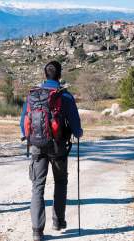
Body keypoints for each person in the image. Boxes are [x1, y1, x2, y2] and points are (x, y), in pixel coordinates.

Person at [20, 61, 83, 241]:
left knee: (37, 186)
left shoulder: (33, 95)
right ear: (59, 75)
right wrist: (78, 133)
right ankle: (58, 221)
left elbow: (23, 123)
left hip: (37, 145)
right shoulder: (65, 96)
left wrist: (29, 137)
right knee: (60, 181)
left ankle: (37, 231)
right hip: (58, 145)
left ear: (44, 75)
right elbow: (76, 126)